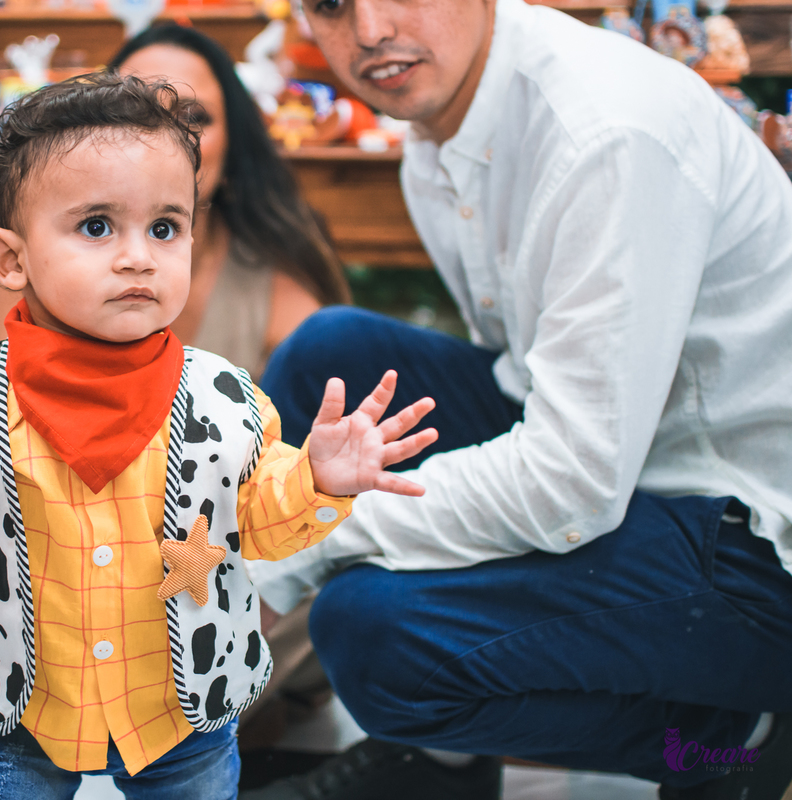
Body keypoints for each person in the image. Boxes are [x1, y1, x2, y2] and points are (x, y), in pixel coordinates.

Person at [0, 73, 438, 798]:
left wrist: (318, 481)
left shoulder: (223, 397)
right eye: (97, 226)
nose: (139, 255)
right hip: (22, 707)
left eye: (164, 227)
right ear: (10, 258)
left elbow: (260, 528)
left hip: (179, 708)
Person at [240, 0, 792, 797]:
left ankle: (731, 741)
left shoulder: (604, 131)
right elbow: (534, 382)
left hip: (753, 543)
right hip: (635, 464)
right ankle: (440, 763)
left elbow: (572, 482)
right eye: (330, 4)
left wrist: (298, 539)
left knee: (374, 629)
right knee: (331, 356)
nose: (367, 31)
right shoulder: (435, 134)